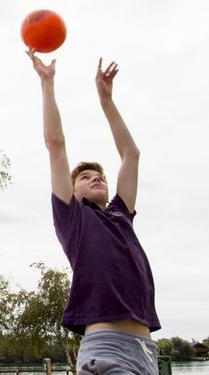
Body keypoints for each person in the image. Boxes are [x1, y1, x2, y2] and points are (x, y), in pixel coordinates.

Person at [27, 50, 161, 375]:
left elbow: (131, 155)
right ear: (72, 192)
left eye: (99, 175)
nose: (96, 178)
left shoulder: (120, 216)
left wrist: (106, 101)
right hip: (106, 350)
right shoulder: (73, 220)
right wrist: (47, 83)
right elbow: (55, 144)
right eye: (85, 177)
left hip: (147, 353)